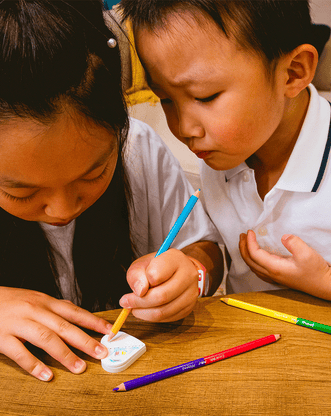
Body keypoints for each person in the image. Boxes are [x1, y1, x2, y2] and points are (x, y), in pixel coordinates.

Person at [0, 0, 223, 381]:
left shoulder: (139, 151)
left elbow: (206, 250)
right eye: (22, 192)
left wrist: (193, 272)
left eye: (93, 173)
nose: (62, 210)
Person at [119, 0, 331, 299]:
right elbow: (221, 252)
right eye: (165, 99)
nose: (184, 129)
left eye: (205, 96)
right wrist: (193, 270)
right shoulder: (222, 154)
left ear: (293, 72)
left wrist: (323, 280)